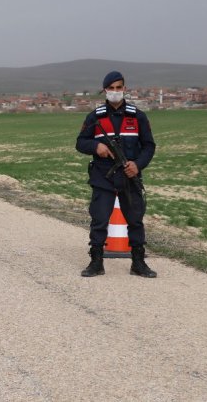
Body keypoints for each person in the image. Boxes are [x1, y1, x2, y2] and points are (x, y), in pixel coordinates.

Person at [76, 70, 157, 278]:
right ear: (105, 90)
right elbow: (80, 142)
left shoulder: (137, 116)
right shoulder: (95, 117)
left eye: (118, 88)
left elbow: (149, 146)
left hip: (130, 176)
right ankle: (96, 262)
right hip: (103, 176)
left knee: (135, 220)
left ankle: (138, 262)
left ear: (124, 89)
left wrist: (138, 165)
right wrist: (97, 147)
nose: (115, 92)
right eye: (111, 88)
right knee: (99, 219)